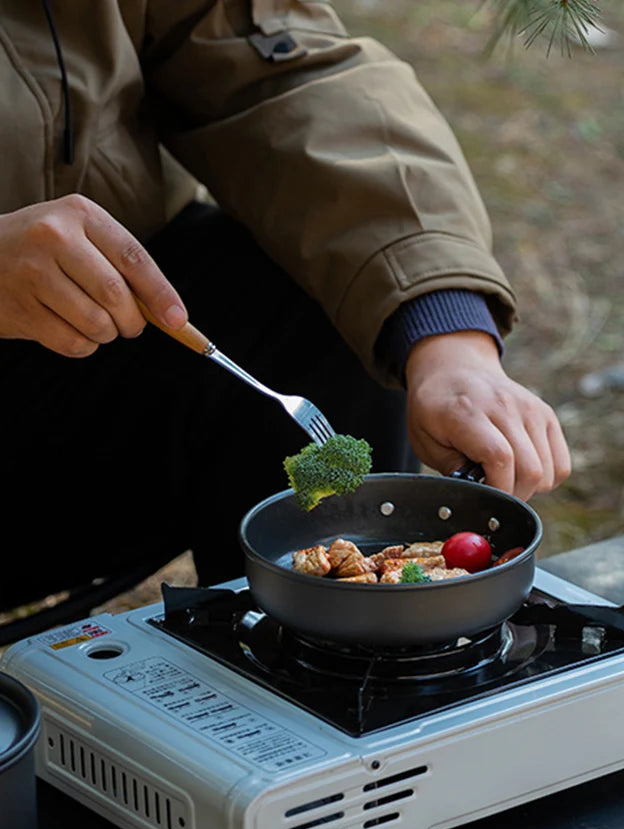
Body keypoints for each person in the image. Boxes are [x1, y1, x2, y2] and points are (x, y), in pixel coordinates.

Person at [0, 1, 571, 609]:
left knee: (326, 301)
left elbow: (275, 64)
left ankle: (310, 637)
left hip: (82, 392)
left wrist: (445, 333)